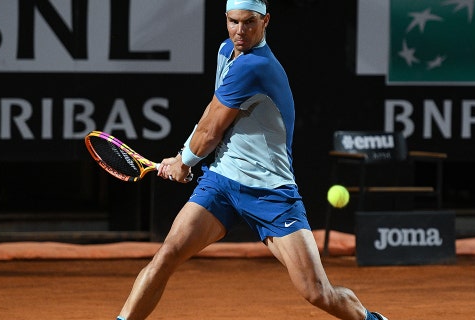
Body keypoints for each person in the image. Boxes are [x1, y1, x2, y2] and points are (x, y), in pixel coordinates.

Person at [115, 1, 387, 319]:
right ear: (226, 19)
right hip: (222, 182)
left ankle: (371, 319)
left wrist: (184, 162)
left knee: (316, 292)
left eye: (249, 22)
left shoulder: (255, 66)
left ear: (265, 21)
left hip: (270, 190)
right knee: (166, 256)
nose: (240, 31)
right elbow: (213, 117)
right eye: (234, 22)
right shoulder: (225, 52)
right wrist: (182, 158)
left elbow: (211, 129)